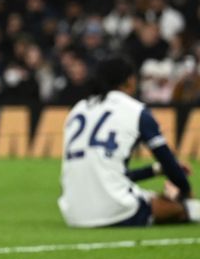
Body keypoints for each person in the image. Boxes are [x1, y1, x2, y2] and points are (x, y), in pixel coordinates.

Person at [59, 56, 200, 228]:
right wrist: (184, 192)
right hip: (116, 210)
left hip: (73, 213)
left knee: (147, 196)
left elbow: (110, 172)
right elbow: (167, 159)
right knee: (182, 208)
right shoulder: (135, 110)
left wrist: (155, 170)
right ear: (129, 80)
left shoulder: (77, 110)